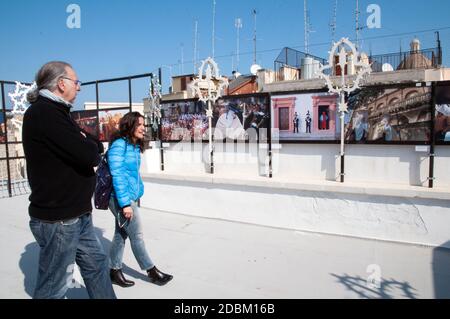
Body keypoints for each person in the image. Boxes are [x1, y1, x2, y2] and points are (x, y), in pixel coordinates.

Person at [22, 61, 116, 299]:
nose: (79, 88)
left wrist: (89, 144)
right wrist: (90, 146)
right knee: (53, 286)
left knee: (96, 266)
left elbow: (92, 144)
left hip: (77, 214)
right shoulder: (45, 113)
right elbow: (89, 153)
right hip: (60, 220)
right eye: (77, 82)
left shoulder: (58, 112)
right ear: (61, 83)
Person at [107, 112, 173, 287]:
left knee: (120, 235)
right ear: (129, 126)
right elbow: (117, 176)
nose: (144, 128)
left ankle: (114, 271)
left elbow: (132, 174)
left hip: (130, 197)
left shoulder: (133, 146)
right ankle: (152, 271)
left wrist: (137, 192)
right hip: (120, 198)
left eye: (144, 124)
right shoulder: (119, 145)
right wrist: (125, 204)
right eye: (140, 124)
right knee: (136, 235)